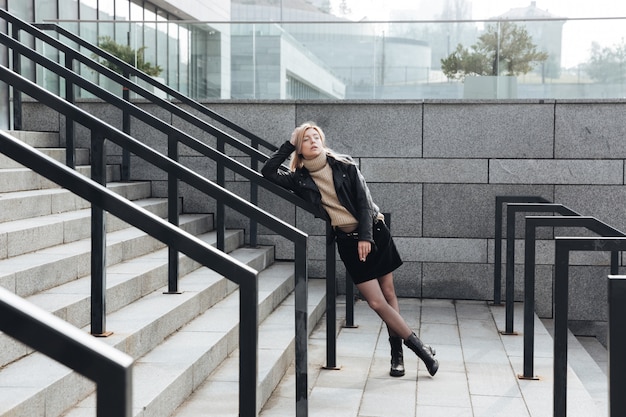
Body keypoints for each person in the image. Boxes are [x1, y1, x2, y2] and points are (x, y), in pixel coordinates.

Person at [261, 121, 438, 377]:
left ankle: (396, 354)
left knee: (388, 293)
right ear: (299, 149)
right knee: (376, 301)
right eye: (306, 139)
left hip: (374, 233)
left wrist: (366, 237)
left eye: (316, 137)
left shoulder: (344, 165)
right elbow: (268, 171)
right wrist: (288, 144)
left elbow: (364, 204)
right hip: (347, 242)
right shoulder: (300, 178)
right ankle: (422, 350)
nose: (313, 141)